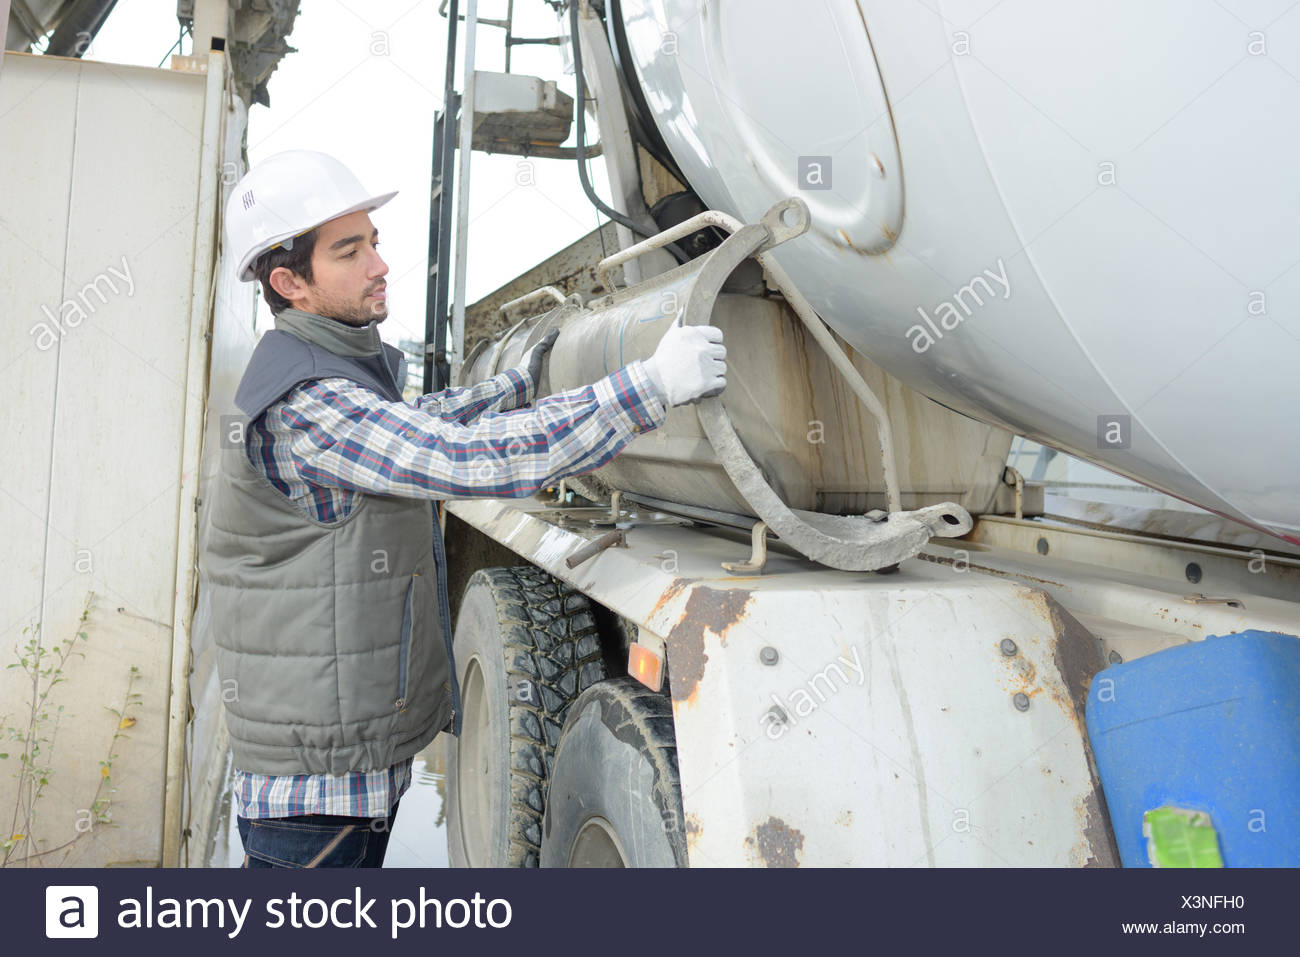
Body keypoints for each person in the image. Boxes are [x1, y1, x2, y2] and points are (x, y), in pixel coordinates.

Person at [201, 150, 725, 868]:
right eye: (349, 251)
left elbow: (421, 421)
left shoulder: (326, 373)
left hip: (334, 766)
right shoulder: (309, 402)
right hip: (315, 790)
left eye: (374, 241)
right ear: (290, 282)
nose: (379, 264)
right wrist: (648, 387)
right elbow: (459, 458)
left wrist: (516, 382)